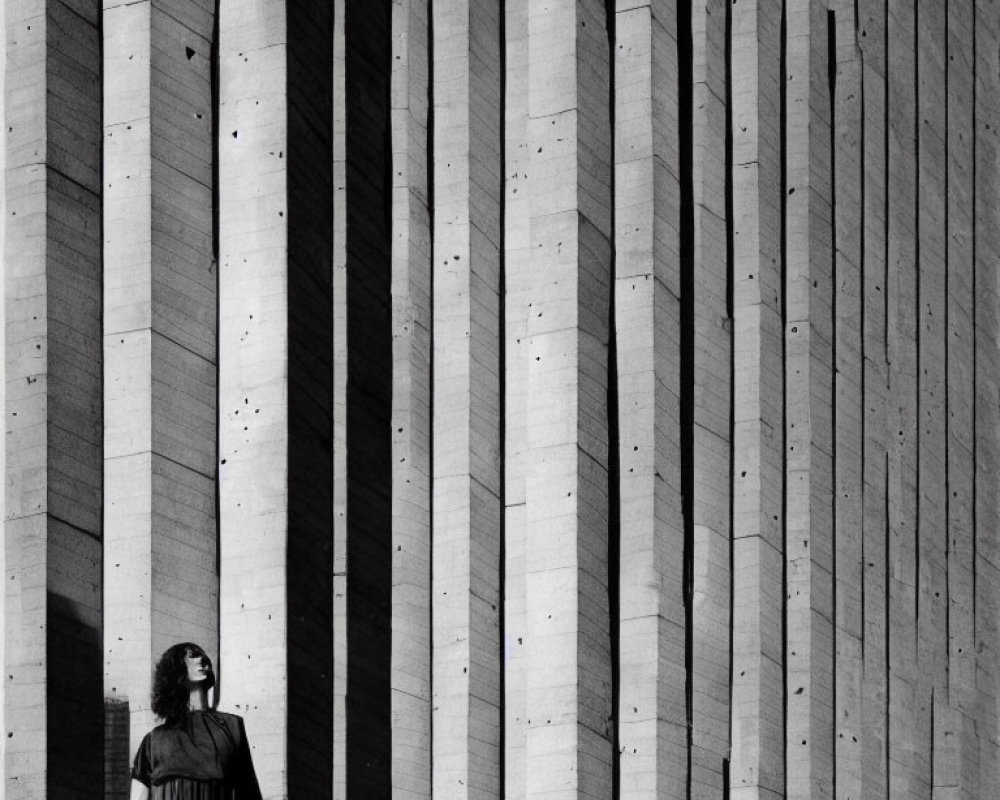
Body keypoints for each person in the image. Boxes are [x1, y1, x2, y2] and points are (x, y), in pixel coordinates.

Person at [129, 643, 262, 800]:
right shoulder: (153, 740)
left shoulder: (232, 726)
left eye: (202, 655)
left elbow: (248, 792)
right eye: (191, 656)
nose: (201, 659)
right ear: (176, 670)